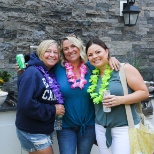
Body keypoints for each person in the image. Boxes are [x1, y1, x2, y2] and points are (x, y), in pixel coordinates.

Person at [15, 34, 120, 154]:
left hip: (88, 125)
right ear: (63, 53)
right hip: (65, 125)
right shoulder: (57, 67)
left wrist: (111, 58)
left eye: (73, 46)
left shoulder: (90, 66)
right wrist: (27, 63)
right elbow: (41, 64)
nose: (70, 50)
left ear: (79, 47)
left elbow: (102, 61)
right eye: (65, 48)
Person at [85, 38, 149, 154]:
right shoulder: (91, 72)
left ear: (106, 51)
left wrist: (121, 100)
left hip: (124, 128)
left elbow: (144, 92)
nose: (94, 56)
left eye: (98, 52)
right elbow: (73, 60)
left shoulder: (124, 69)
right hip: (101, 128)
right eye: (90, 55)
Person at [15, 40, 65, 154]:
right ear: (40, 53)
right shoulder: (32, 72)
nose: (52, 55)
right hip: (32, 130)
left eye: (55, 52)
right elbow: (26, 104)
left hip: (42, 129)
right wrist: (53, 109)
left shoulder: (48, 72)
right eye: (48, 51)